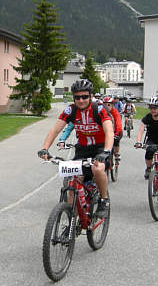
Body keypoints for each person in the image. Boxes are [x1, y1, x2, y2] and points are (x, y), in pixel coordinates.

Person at [38, 79, 114, 218]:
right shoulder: (71, 110)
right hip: (83, 149)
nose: (81, 100)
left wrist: (106, 151)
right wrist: (45, 148)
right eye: (77, 97)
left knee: (97, 168)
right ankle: (74, 222)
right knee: (73, 183)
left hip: (101, 148)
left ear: (91, 96)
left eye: (84, 96)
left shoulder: (99, 109)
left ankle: (104, 200)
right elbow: (55, 130)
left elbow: (109, 131)